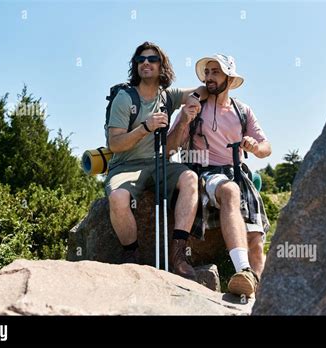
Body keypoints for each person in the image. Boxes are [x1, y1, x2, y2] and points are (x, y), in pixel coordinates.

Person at [167, 54, 271, 296]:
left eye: (215, 72)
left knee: (256, 239)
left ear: (229, 78)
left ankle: (257, 296)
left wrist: (254, 147)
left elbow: (267, 148)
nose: (209, 77)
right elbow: (169, 149)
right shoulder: (193, 106)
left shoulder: (242, 110)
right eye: (207, 72)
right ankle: (243, 269)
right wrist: (184, 119)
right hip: (204, 172)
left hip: (238, 172)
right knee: (229, 190)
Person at [105, 42, 206, 280]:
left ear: (162, 66)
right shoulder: (124, 98)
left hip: (160, 163)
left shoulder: (167, 96)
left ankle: (178, 254)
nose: (146, 63)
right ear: (136, 66)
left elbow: (202, 89)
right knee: (118, 198)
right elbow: (115, 144)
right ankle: (131, 255)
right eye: (141, 60)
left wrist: (191, 101)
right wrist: (144, 127)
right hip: (126, 166)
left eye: (152, 59)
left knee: (191, 178)